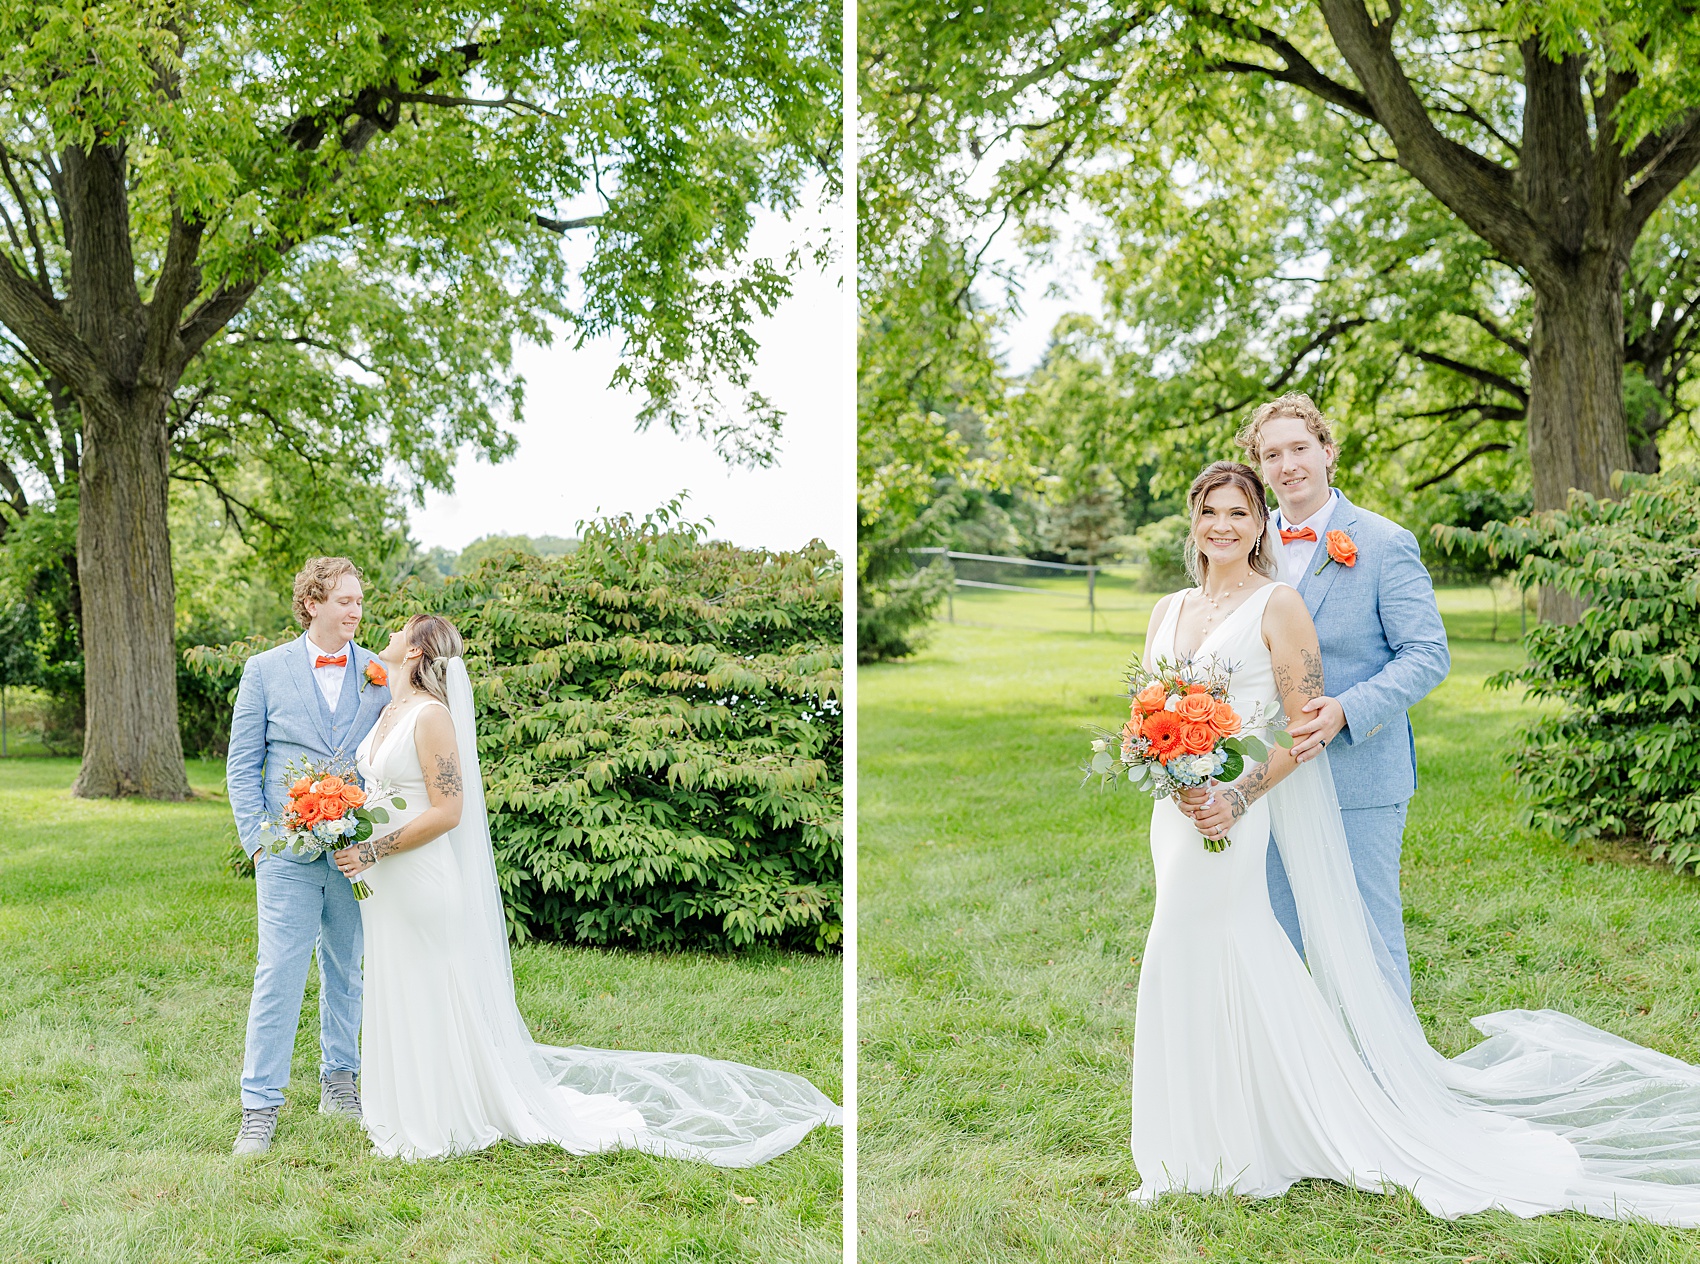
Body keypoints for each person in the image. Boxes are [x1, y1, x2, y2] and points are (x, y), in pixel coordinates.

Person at [1131, 460, 1700, 1223]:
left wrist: (1234, 795)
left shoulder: (1280, 604)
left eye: (1240, 512)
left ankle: (1283, 1122)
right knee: (1177, 951)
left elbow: (1301, 734)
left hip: (1236, 810)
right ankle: (1197, 1129)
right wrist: (1172, 775)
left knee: (1238, 949)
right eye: (1210, 512)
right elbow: (1148, 712)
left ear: (1261, 523)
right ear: (1192, 520)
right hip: (1176, 817)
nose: (1223, 526)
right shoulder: (1168, 608)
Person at [330, 613, 842, 1163]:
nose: (387, 634)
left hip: (419, 878)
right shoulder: (392, 709)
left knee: (429, 988)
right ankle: (404, 1106)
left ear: (414, 652)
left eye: (399, 631)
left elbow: (450, 810)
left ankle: (443, 1116)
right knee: (395, 984)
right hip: (383, 883)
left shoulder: (432, 716)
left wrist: (373, 849)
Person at [1232, 393, 1449, 993]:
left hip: (1360, 772)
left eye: (1299, 448)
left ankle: (1387, 1077)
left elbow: (1428, 654)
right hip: (1266, 772)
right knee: (1276, 931)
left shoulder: (1383, 542)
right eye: (1271, 454)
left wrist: (1347, 711)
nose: (1288, 465)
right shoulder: (1246, 546)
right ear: (1260, 466)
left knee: (1368, 933)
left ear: (1327, 452)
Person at [227, 557, 390, 1155]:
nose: (356, 610)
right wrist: (260, 844)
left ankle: (339, 1082)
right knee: (279, 974)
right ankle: (259, 1106)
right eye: (344, 600)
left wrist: (374, 836)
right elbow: (242, 764)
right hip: (287, 855)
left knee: (348, 968)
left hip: (355, 852)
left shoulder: (379, 672)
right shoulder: (265, 670)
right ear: (312, 603)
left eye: (358, 600)